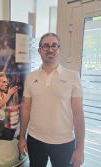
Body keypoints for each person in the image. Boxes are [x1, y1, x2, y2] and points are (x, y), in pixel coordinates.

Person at [18, 33, 85, 167]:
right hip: (35, 139)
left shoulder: (73, 77)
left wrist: (80, 148)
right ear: (39, 50)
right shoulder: (31, 77)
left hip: (64, 142)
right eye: (46, 46)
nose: (50, 49)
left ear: (59, 49)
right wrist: (21, 137)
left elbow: (78, 115)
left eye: (54, 46)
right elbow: (26, 109)